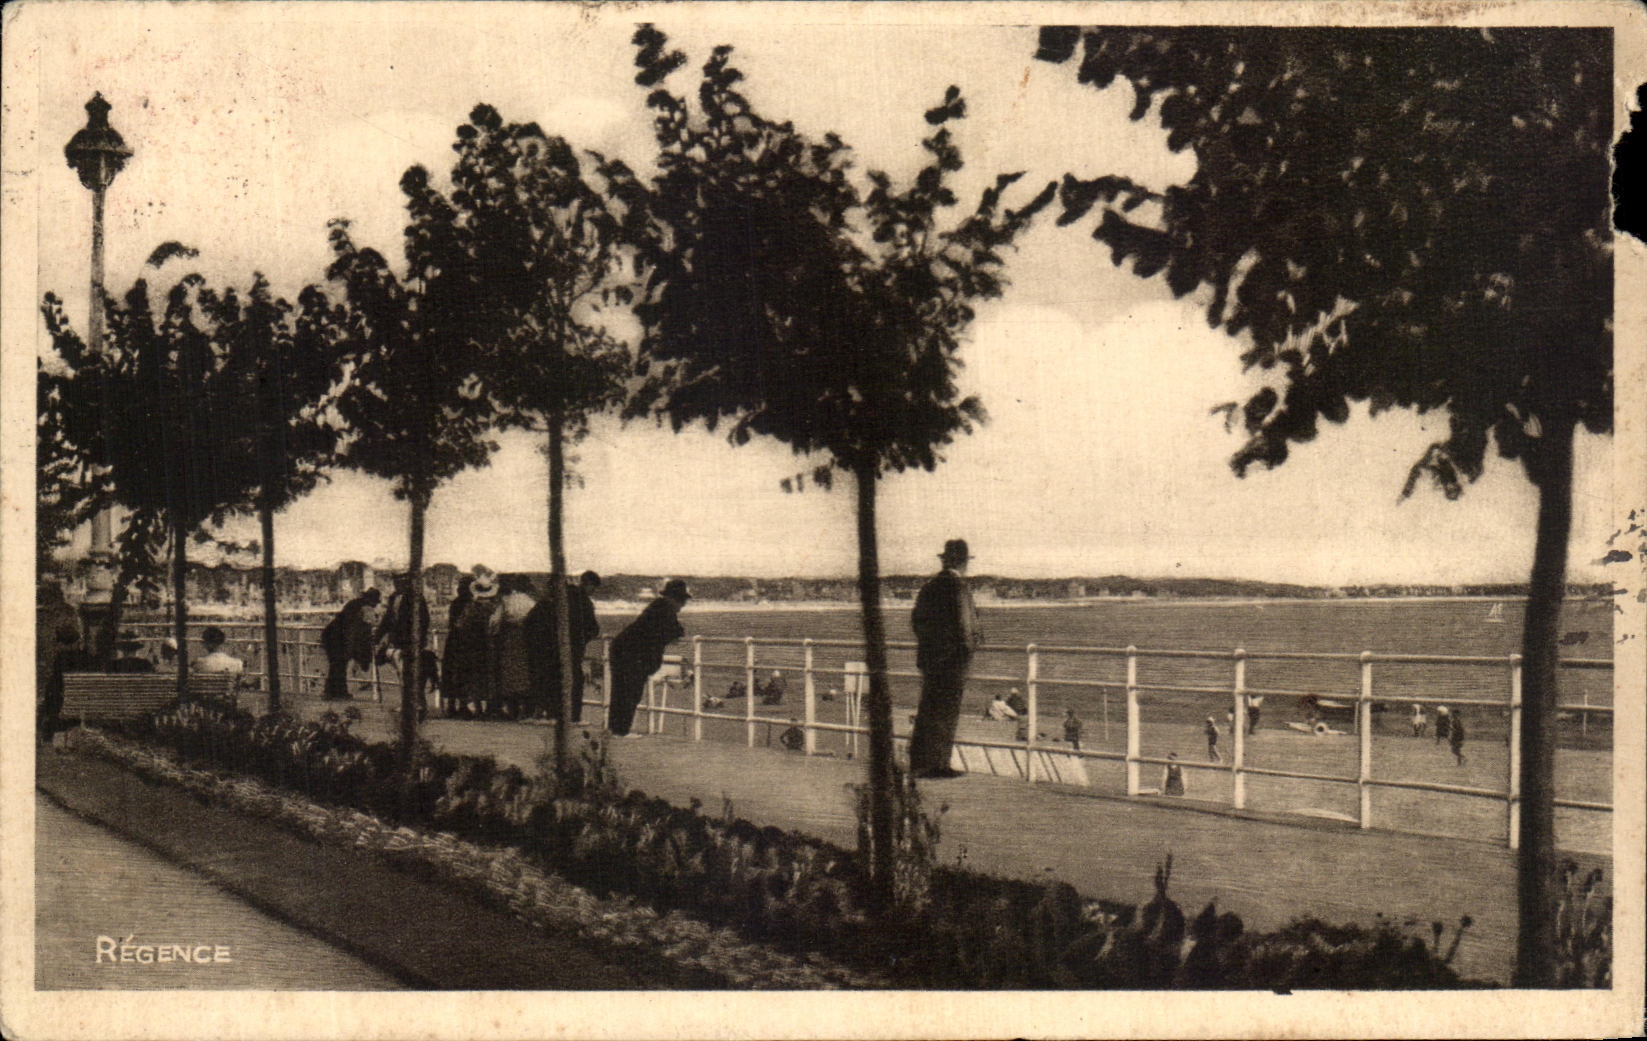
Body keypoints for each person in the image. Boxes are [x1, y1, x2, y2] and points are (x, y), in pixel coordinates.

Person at [908, 538, 982, 779]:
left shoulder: (929, 586)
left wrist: (930, 646)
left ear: (944, 560)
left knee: (928, 710)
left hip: (930, 659)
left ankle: (919, 763)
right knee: (946, 713)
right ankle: (939, 764)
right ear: (963, 563)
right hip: (952, 661)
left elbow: (917, 621)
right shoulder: (959, 587)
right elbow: (967, 626)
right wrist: (969, 647)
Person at [607, 579, 690, 737]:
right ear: (675, 598)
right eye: (682, 601)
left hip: (624, 652)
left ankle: (616, 730)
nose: (683, 606)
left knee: (622, 693)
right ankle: (620, 731)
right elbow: (676, 631)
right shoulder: (664, 609)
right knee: (629, 693)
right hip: (631, 656)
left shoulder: (659, 607)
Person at [525, 570, 603, 725]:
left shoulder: (553, 599)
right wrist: (582, 640)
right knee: (574, 680)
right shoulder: (584, 602)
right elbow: (593, 628)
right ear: (588, 584)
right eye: (593, 588)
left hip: (548, 648)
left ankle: (550, 714)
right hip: (573, 649)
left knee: (551, 680)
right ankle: (573, 716)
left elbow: (530, 622)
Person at [444, 568, 498, 717]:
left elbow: (454, 623)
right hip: (475, 642)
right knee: (473, 673)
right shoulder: (482, 605)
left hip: (457, 641)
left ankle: (455, 705)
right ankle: (473, 706)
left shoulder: (459, 603)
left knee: (457, 673)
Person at [488, 574, 537, 720]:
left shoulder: (506, 601)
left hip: (509, 639)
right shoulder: (530, 601)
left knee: (509, 675)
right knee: (525, 674)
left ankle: (512, 710)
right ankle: (527, 710)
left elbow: (494, 622)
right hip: (526, 639)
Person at [321, 588, 380, 700]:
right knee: (339, 665)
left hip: (333, 634)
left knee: (337, 665)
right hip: (339, 636)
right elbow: (360, 627)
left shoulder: (354, 603)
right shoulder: (365, 608)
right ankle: (337, 693)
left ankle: (333, 692)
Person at [40, 623, 95, 742]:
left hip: (67, 706)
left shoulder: (60, 660)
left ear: (63, 643)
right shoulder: (88, 658)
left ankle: (51, 734)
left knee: (51, 691)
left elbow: (54, 686)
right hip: (89, 704)